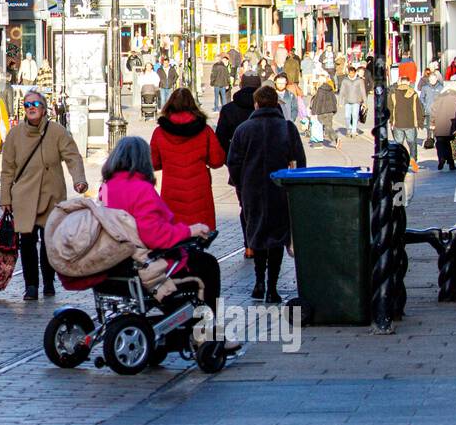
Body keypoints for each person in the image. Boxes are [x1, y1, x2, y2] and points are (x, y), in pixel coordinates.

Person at [101, 136, 233, 332]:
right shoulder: (142, 189)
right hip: (145, 265)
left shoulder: (106, 188)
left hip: (118, 264)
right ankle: (209, 329)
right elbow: (154, 235)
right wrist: (190, 230)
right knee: (207, 264)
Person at [0, 89, 87, 300]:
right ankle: (31, 286)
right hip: (24, 197)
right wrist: (5, 197)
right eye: (27, 105)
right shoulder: (15, 135)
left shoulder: (57, 131)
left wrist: (79, 180)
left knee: (49, 242)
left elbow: (72, 157)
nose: (31, 108)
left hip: (51, 195)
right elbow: (7, 169)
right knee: (27, 242)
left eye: (35, 104)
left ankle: (48, 282)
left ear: (44, 108)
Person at [226, 86, 307, 303]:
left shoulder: (243, 129)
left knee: (257, 234)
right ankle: (272, 287)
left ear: (256, 104)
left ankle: (259, 282)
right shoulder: (287, 128)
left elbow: (233, 162)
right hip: (279, 189)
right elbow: (299, 160)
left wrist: (240, 183)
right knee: (277, 237)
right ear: (276, 103)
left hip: (252, 190)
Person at [150, 88, 226, 231]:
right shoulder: (205, 130)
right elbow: (217, 161)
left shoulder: (160, 132)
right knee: (200, 234)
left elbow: (153, 162)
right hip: (199, 192)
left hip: (172, 192)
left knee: (175, 233)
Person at [215, 73, 260, 157]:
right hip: (263, 159)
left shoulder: (228, 109)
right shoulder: (269, 107)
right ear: (260, 86)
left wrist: (231, 155)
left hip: (236, 156)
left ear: (241, 85)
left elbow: (221, 137)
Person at [388, 74, 424, 171]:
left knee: (398, 144)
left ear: (400, 82)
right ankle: (413, 161)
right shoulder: (413, 94)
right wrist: (420, 121)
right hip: (410, 123)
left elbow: (390, 108)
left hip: (397, 123)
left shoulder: (393, 94)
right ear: (408, 82)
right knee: (412, 144)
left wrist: (391, 121)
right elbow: (419, 109)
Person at [429, 80, 456, 171]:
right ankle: (451, 163)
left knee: (440, 143)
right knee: (451, 144)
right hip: (453, 125)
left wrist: (432, 123)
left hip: (440, 125)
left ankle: (441, 157)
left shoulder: (439, 97)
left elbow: (433, 111)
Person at [310, 75, 340, 148]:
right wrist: (334, 109)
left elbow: (318, 102)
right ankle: (335, 139)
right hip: (330, 111)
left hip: (322, 111)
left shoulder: (320, 90)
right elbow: (334, 100)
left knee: (326, 127)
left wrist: (313, 112)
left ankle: (336, 138)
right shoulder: (330, 89)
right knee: (328, 126)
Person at [340, 65, 367, 138]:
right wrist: (340, 102)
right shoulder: (345, 80)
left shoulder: (359, 80)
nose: (351, 75)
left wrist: (365, 102)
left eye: (352, 73)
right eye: (350, 73)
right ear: (348, 73)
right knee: (347, 117)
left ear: (355, 73)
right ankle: (349, 129)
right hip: (347, 101)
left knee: (355, 116)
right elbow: (342, 91)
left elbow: (363, 92)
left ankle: (353, 131)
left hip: (356, 101)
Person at [418, 68, 442, 140]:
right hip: (428, 110)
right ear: (429, 80)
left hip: (438, 111)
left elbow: (443, 98)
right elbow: (421, 98)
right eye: (431, 79)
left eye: (434, 79)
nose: (432, 81)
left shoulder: (441, 87)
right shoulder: (425, 87)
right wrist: (425, 105)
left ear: (436, 79)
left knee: (436, 127)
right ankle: (429, 139)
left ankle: (435, 139)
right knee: (429, 127)